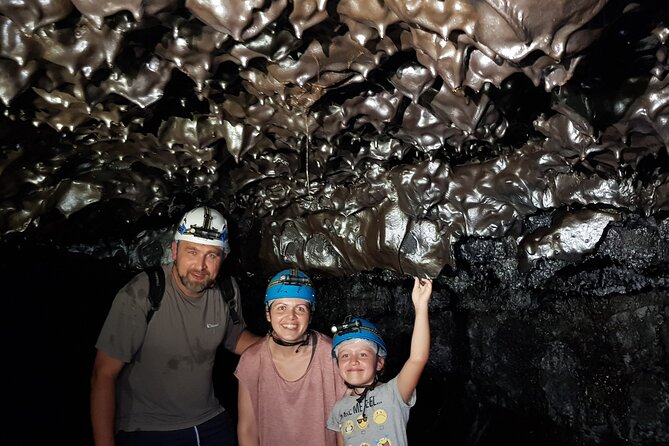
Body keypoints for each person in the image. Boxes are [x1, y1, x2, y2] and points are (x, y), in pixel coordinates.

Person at [90, 206, 262, 446]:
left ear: (223, 258)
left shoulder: (226, 290)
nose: (200, 266)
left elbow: (234, 338)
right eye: (192, 251)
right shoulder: (142, 293)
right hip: (149, 428)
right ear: (174, 250)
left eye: (211, 255)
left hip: (210, 420)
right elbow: (104, 374)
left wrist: (286, 345)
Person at [235, 268, 347, 446]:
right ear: (267, 314)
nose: (291, 317)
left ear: (310, 315)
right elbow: (247, 428)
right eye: (281, 308)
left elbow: (347, 423)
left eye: (300, 309)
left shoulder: (332, 356)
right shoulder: (252, 361)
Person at [327, 277, 433, 446]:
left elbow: (417, 359)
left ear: (379, 363)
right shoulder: (339, 409)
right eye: (345, 355)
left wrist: (421, 307)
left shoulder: (394, 393)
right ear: (337, 364)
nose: (353, 361)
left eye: (362, 355)